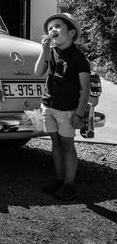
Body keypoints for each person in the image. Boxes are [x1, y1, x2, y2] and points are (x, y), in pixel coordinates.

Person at [34, 12, 91, 201]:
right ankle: (58, 179)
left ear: (72, 33)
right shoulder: (51, 52)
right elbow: (38, 72)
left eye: (57, 26)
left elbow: (85, 88)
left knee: (67, 144)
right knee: (55, 141)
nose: (52, 30)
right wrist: (44, 50)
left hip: (67, 110)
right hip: (48, 105)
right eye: (50, 28)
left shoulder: (78, 58)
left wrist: (80, 114)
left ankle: (69, 184)